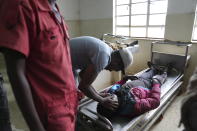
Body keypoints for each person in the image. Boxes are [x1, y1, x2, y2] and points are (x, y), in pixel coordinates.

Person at [0, 0, 77, 131]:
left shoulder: (54, 8)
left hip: (69, 109)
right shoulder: (22, 5)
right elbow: (16, 73)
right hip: (49, 115)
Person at [69, 36, 139, 110]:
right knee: (70, 96)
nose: (112, 70)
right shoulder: (103, 57)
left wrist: (97, 94)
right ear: (117, 62)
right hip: (60, 60)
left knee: (75, 93)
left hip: (69, 62)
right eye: (117, 69)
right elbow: (83, 86)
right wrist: (102, 100)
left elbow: (82, 75)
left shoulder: (107, 51)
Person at [97, 62, 168, 118]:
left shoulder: (112, 93)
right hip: (149, 86)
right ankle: (165, 71)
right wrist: (156, 85)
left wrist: (124, 79)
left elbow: (116, 85)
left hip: (139, 80)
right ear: (114, 106)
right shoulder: (133, 106)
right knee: (158, 78)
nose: (108, 94)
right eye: (109, 98)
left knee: (144, 75)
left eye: (104, 97)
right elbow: (155, 102)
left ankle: (154, 69)